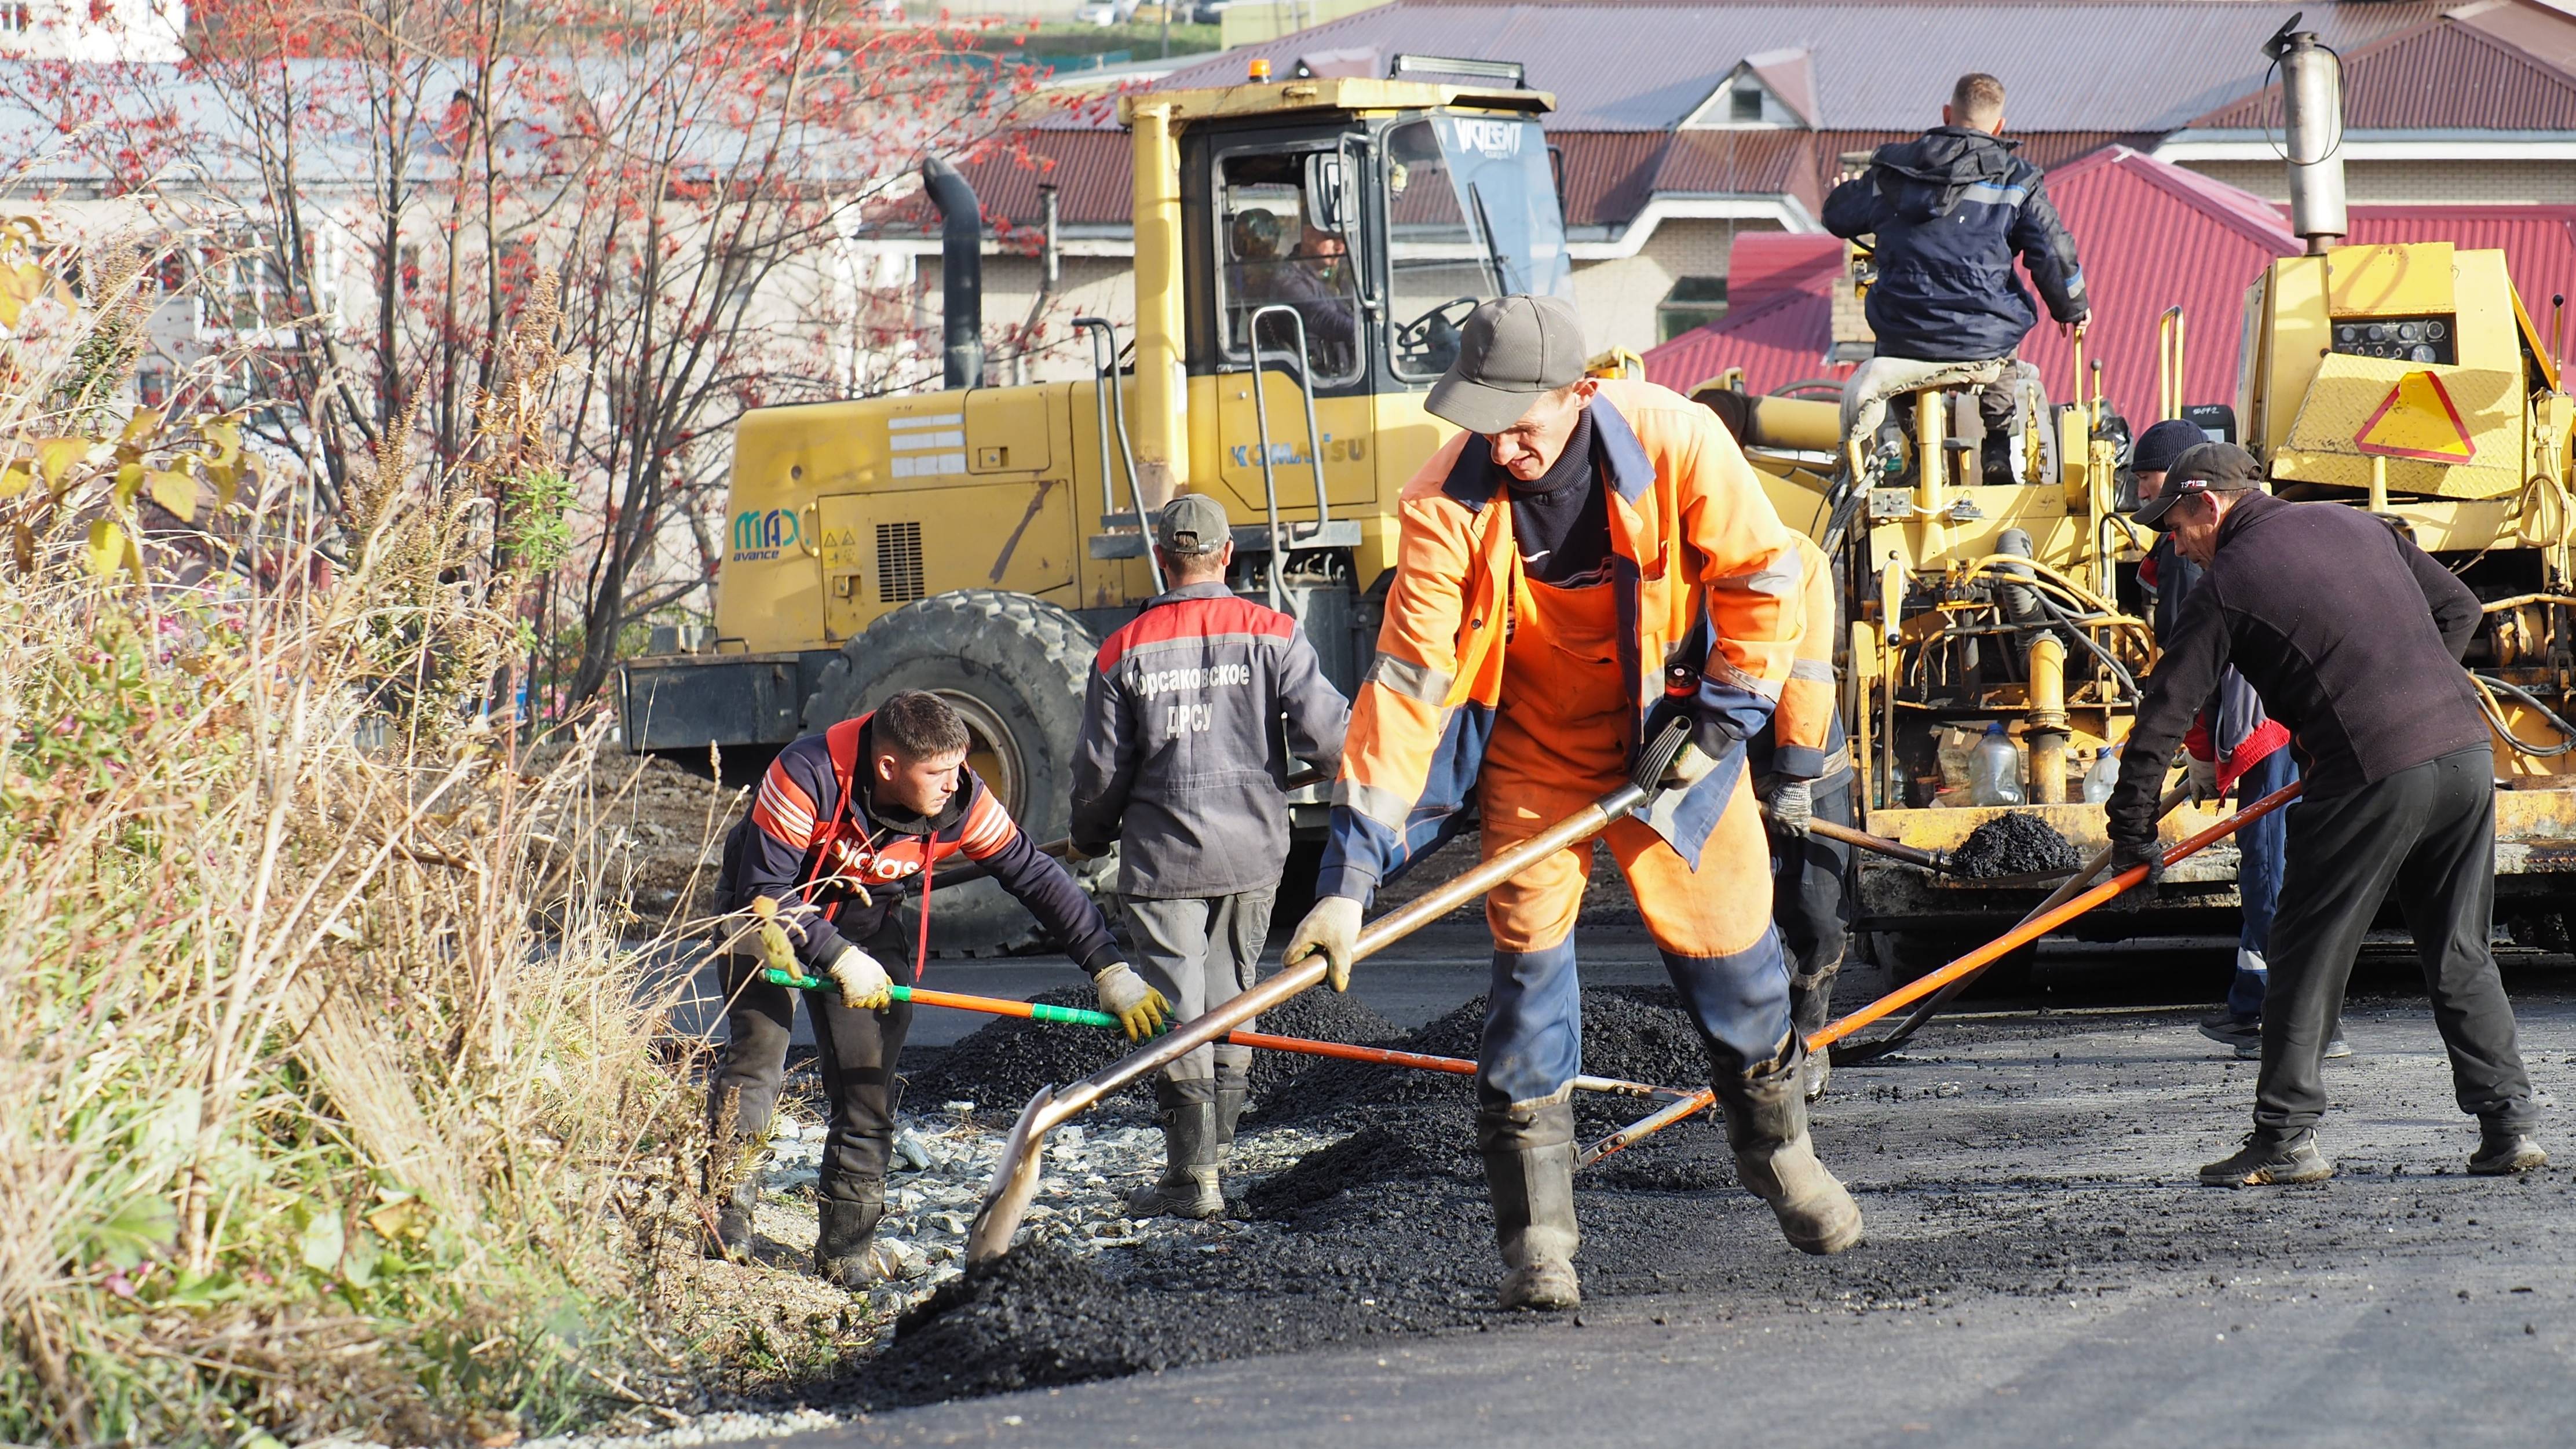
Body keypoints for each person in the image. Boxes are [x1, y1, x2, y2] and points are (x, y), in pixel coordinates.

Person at [1280, 294, 1865, 1312]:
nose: (1501, 447)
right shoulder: (1441, 505)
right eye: (1481, 422)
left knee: (1737, 965)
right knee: (1529, 992)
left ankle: (1778, 1155)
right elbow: (1408, 689)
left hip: (1673, 740)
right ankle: (1538, 1240)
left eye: (1522, 423)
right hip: (1537, 755)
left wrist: (1720, 726)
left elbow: (1767, 578)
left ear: (1580, 392)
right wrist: (1349, 879)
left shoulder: (1675, 438)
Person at [2106, 443, 2546, 1186]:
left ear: (2209, 504)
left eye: (2173, 525)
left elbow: (2161, 717)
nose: (2172, 543)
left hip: (2372, 772)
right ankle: (2508, 1129)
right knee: (2460, 950)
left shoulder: (2227, 584)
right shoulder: (2356, 526)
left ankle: (2283, 1139)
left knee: (2304, 950)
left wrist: (2131, 838)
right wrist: (2418, 696)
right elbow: (2460, 607)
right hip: (2466, 756)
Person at [704, 691, 1166, 1283]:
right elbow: (764, 889)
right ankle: (725, 1218)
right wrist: (837, 954)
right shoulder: (806, 773)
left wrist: (1108, 967)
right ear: (888, 766)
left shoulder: (964, 795)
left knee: (868, 1085)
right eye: (938, 772)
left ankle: (846, 1248)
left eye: (958, 767)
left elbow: (1036, 878)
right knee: (757, 1057)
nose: (955, 782)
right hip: (767, 913)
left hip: (867, 917)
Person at [1069, 494, 1351, 1219]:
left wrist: (1093, 834)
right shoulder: (1276, 633)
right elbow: (1329, 742)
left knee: (1178, 1012)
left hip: (1163, 859)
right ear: (1227, 555)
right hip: (1253, 849)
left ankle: (1191, 1178)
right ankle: (1216, 1158)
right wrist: (1282, 775)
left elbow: (1102, 773)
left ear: (1162, 560)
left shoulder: (1122, 648)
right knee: (1234, 998)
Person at [2125, 419, 2340, 1062]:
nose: (2144, 504)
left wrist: (2196, 749)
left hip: (2264, 730)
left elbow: (2193, 674)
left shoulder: (2198, 557)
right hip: (2271, 727)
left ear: (2194, 489)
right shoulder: (2194, 547)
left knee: (2271, 872)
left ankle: (2307, 1026)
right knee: (2269, 874)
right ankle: (2255, 1005)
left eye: (2148, 482)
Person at [1824, 72, 2089, 477]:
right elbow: (2051, 250)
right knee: (2003, 348)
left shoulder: (1890, 171)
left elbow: (1837, 215)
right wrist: (2071, 308)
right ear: (1999, 127)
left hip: (1905, 332)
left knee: (1894, 349)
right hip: (1983, 337)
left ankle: (1916, 452)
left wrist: (1847, 192)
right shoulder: (2016, 178)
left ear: (1947, 114)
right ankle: (1997, 446)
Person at [1755, 532, 1854, 1103]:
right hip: (1726, 771)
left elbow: (1807, 675)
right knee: (1743, 922)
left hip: (1809, 762)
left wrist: (1793, 775)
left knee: (1817, 916)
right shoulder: (1665, 563)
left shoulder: (1790, 559)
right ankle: (1763, 1053)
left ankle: (1810, 1035)